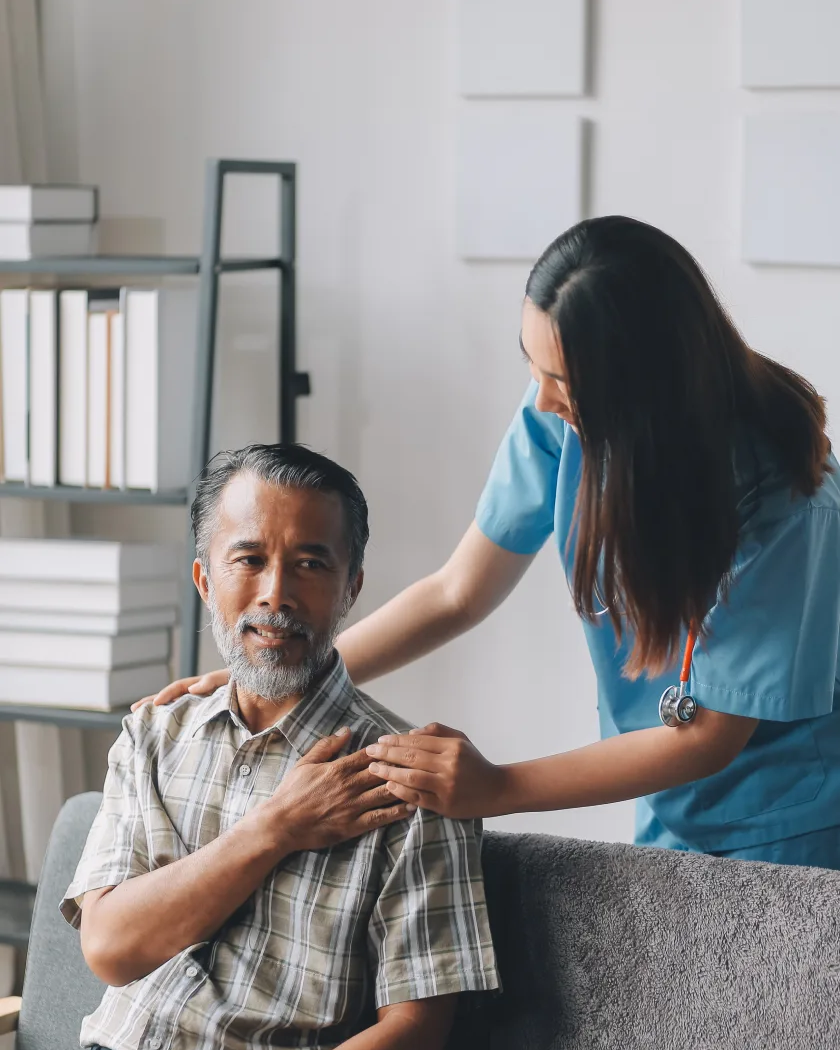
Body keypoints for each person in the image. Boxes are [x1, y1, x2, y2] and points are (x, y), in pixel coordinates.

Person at [149, 216, 840, 868]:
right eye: (532, 366)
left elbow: (712, 735)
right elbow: (458, 591)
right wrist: (296, 669)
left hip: (787, 825)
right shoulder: (564, 419)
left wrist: (498, 787)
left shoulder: (789, 503)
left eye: (561, 382)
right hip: (667, 804)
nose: (540, 400)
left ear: (642, 396)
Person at [1, 444, 499, 1050]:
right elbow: (113, 947)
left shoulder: (412, 782)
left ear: (351, 587)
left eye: (311, 563)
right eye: (249, 559)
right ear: (205, 580)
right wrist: (275, 828)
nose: (277, 593)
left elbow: (416, 1042)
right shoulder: (155, 736)